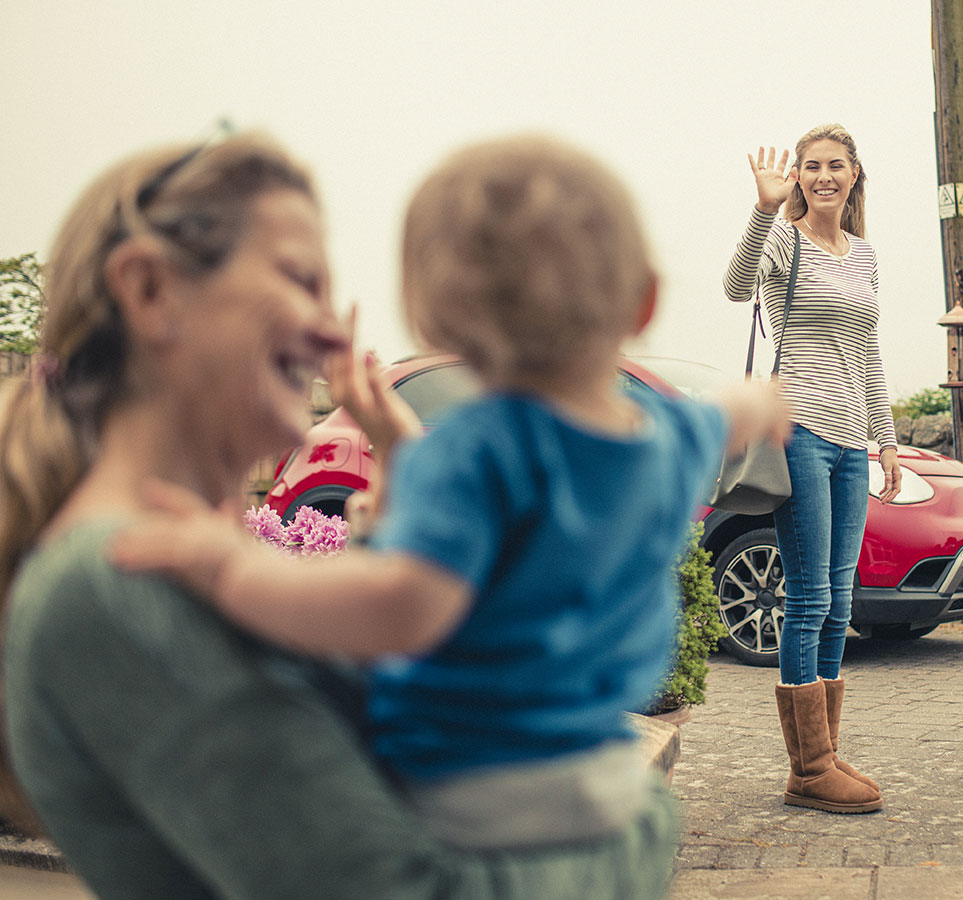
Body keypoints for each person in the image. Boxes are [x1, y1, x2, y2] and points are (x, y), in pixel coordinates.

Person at [0, 132, 705, 899]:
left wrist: (407, 501)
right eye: (301, 281)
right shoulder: (111, 584)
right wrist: (642, 823)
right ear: (150, 292)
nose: (338, 334)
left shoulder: (162, 562)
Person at [721, 123, 900, 815]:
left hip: (852, 441)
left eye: (835, 165)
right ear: (798, 175)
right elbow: (737, 289)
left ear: (855, 174)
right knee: (809, 600)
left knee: (840, 600)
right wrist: (764, 208)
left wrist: (885, 439)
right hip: (798, 432)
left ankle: (822, 752)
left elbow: (870, 351)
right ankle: (809, 768)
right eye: (810, 166)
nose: (823, 175)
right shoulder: (783, 239)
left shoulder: (864, 256)